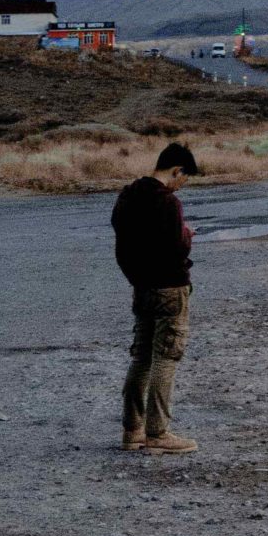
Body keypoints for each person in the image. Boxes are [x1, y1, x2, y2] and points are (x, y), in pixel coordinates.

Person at [111, 141, 201, 454]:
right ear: (177, 170)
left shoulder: (127, 196)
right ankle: (158, 433)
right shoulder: (168, 203)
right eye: (183, 178)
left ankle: (132, 430)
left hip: (142, 287)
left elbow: (122, 244)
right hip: (170, 288)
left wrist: (136, 277)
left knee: (141, 356)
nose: (181, 185)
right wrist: (187, 236)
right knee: (166, 356)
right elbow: (176, 249)